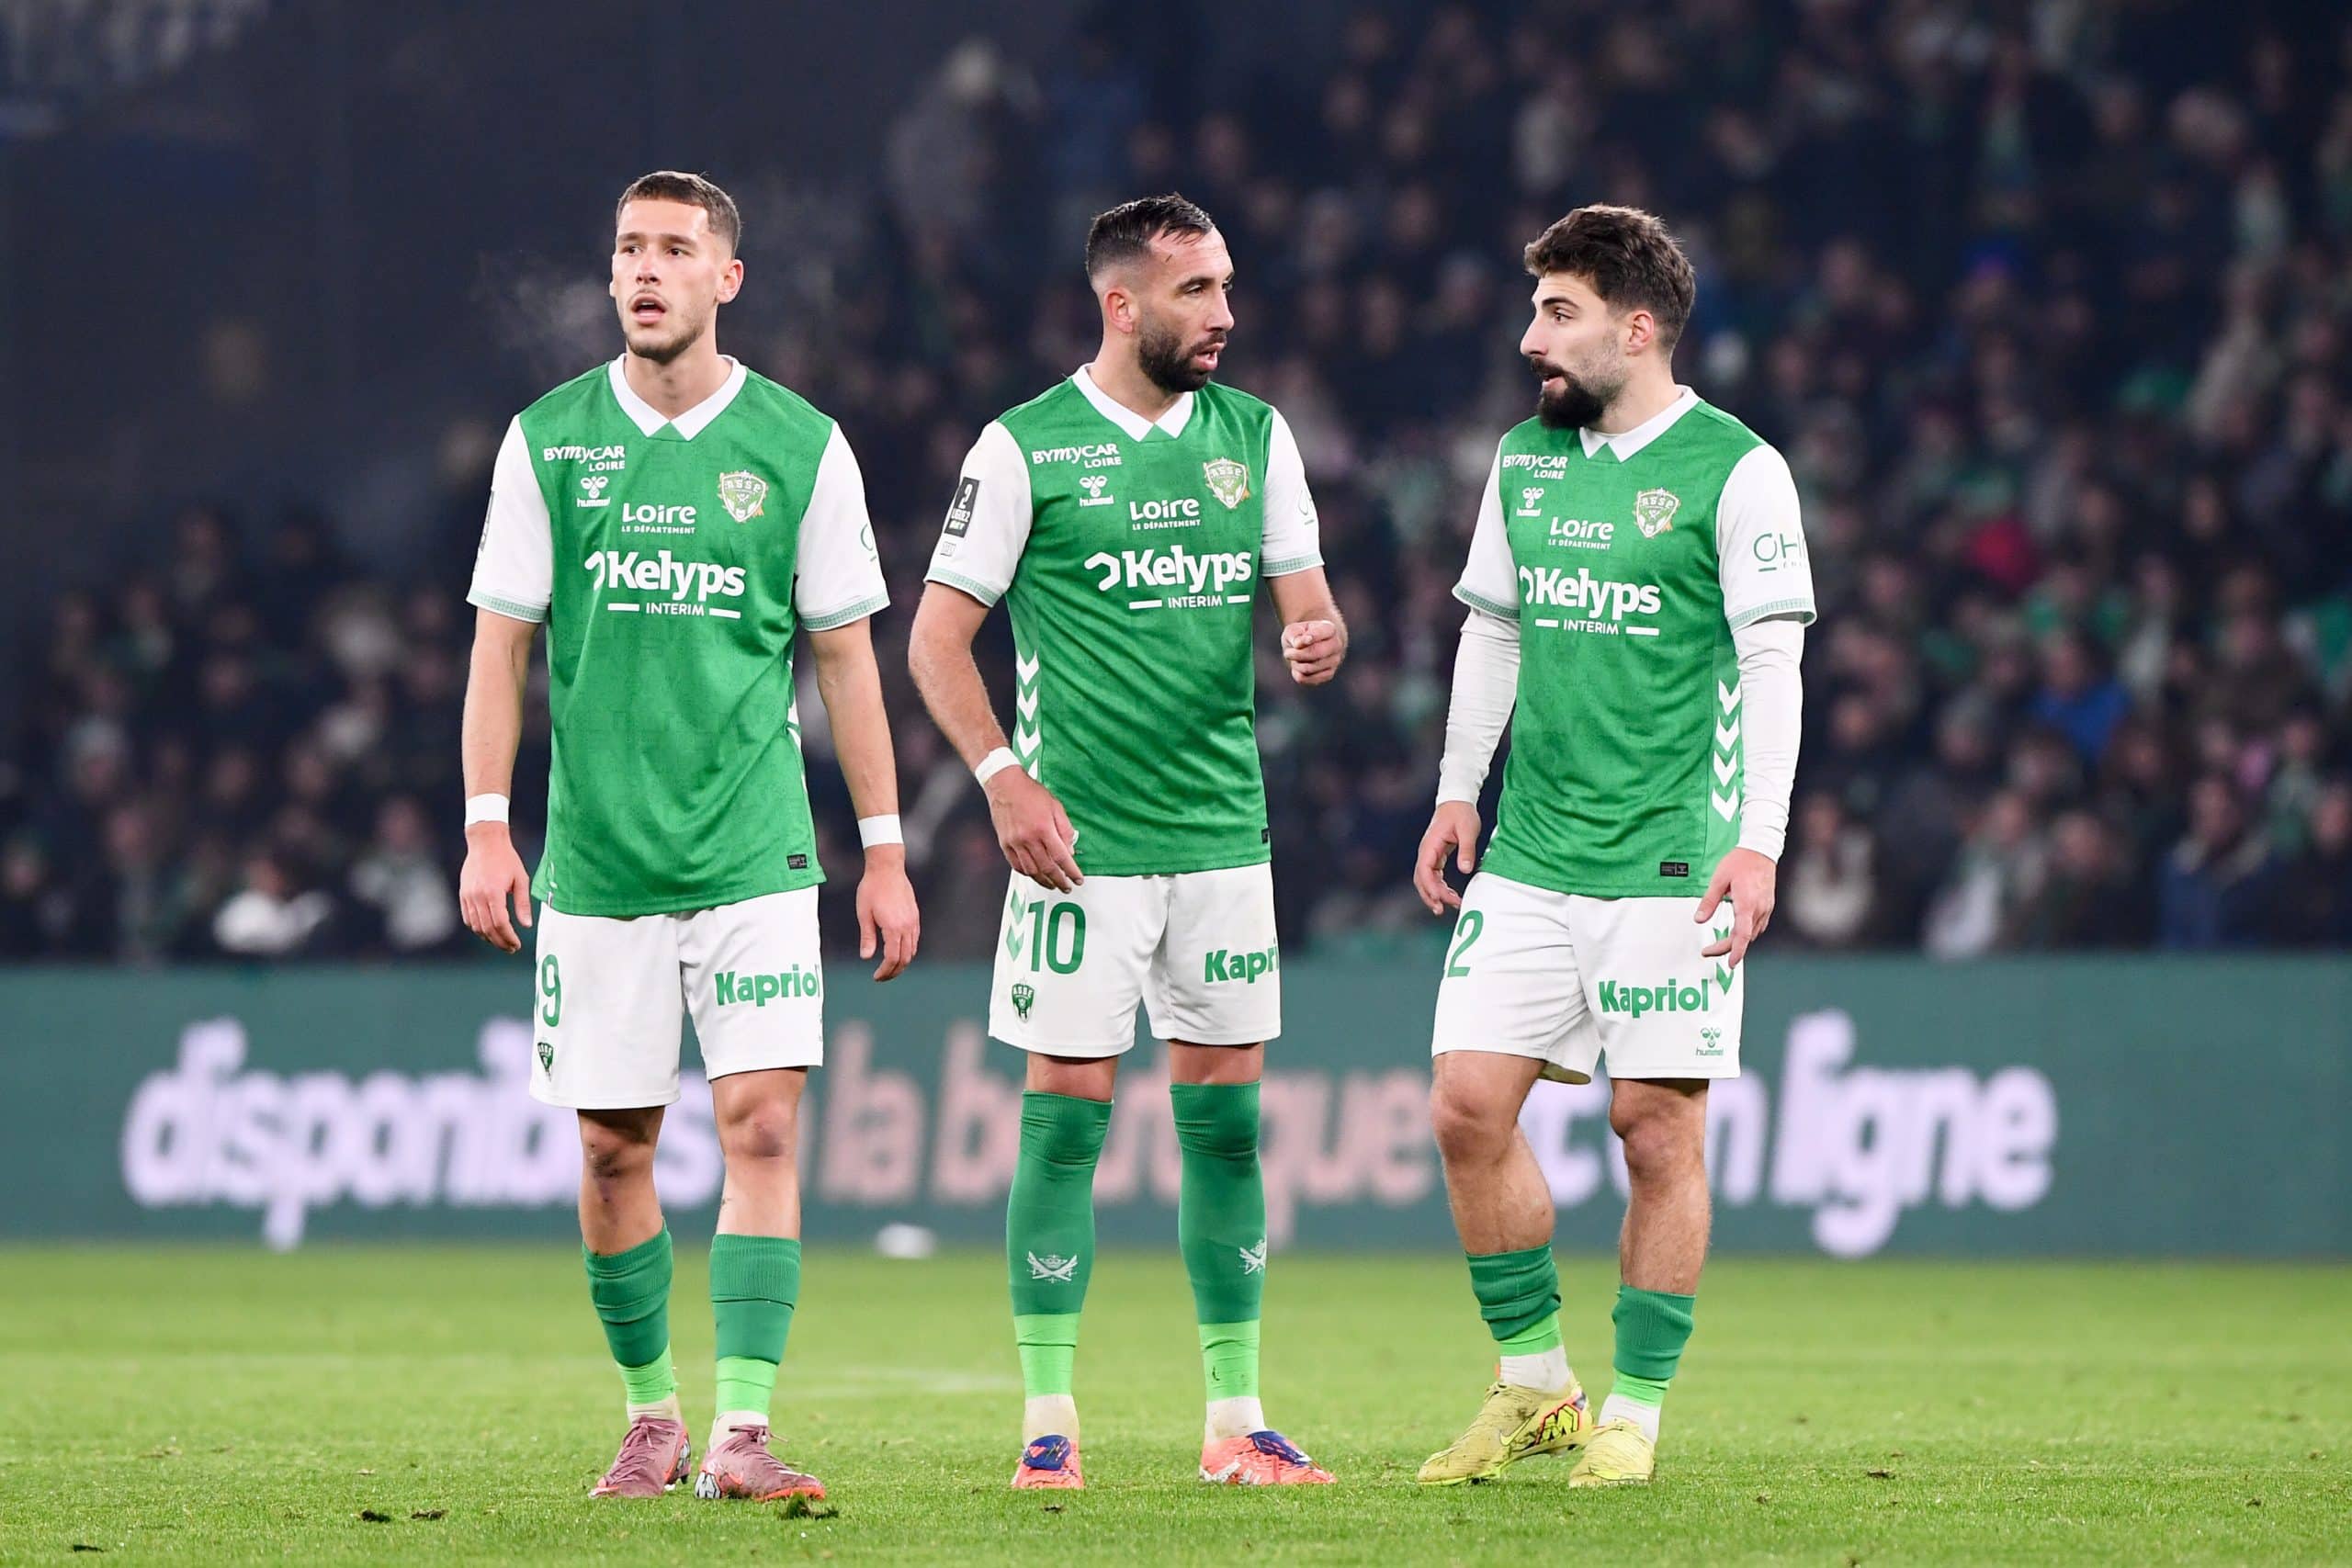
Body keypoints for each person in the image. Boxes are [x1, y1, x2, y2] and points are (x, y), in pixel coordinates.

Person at [457, 171, 920, 1504]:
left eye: (674, 248)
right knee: (615, 1150)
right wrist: (488, 829)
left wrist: (885, 850)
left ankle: (744, 1433)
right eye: (628, 249)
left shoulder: (800, 445)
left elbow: (847, 660)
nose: (646, 269)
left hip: (753, 854)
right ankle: (652, 1414)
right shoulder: (548, 441)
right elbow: (499, 650)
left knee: (761, 1128)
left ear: (728, 278)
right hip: (599, 862)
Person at [907, 194, 1345, 1490]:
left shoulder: (1256, 437)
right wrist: (1003, 781)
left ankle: (1236, 1420)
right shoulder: (1024, 447)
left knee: (1227, 1129)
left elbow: (1307, 603)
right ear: (1121, 303)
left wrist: (1316, 634)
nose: (1225, 314)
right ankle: (1049, 1422)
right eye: (1198, 291)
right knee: (1064, 1127)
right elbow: (934, 641)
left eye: (1226, 287)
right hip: (1078, 849)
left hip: (1221, 838)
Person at [1411, 206, 1813, 1488]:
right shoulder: (1525, 460)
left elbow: (1773, 665)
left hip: (1671, 859)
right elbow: (1494, 629)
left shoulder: (1738, 471)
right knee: (1467, 1108)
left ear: (1637, 330)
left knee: (1653, 1128)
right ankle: (1537, 1387)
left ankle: (1633, 1412)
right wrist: (1457, 790)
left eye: (1558, 313)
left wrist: (1759, 844)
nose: (1531, 338)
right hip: (1532, 851)